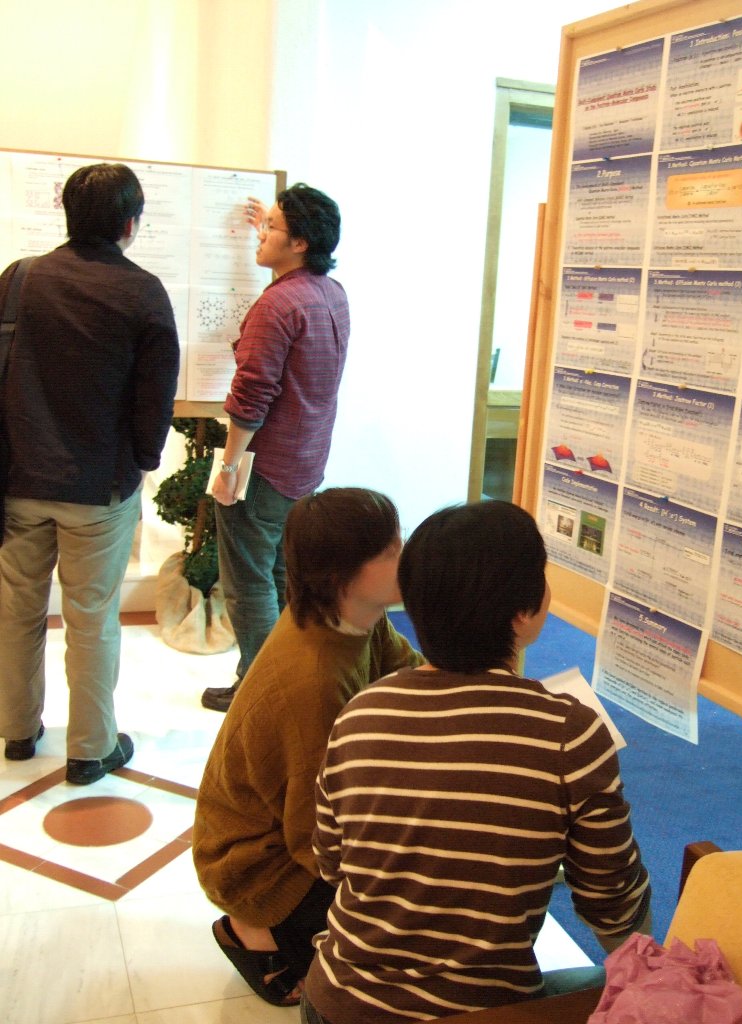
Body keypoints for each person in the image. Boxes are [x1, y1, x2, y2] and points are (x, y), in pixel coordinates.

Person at [303, 500, 652, 1024]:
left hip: (333, 1003)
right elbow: (611, 901)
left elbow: (332, 862)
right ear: (523, 610)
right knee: (611, 985)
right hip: (477, 1011)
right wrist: (649, 979)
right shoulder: (569, 732)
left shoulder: (362, 712)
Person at [193, 487, 424, 1007]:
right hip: (251, 861)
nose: (406, 556)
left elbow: (410, 673)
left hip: (286, 822)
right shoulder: (313, 679)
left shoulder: (354, 617)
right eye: (391, 550)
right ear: (342, 575)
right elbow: (313, 835)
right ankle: (252, 928)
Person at [0, 162, 179, 784]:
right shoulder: (143, 292)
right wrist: (142, 461)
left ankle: (17, 732)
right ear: (130, 224)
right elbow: (156, 395)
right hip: (99, 486)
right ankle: (90, 749)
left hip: (18, 480)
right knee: (92, 616)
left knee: (17, 609)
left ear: (67, 213)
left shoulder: (18, 279)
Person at [201, 183, 350, 712]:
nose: (261, 235)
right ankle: (293, 682)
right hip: (305, 462)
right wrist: (274, 221)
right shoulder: (330, 293)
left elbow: (251, 399)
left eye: (272, 228)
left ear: (300, 243)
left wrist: (228, 466)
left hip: (264, 467)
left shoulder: (278, 305)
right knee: (285, 575)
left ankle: (260, 693)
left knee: (247, 582)